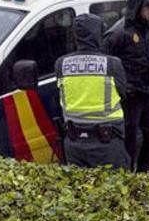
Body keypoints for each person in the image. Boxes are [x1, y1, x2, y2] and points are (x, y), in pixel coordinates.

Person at [55, 13, 129, 169]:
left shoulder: (61, 64)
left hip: (74, 143)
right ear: (98, 33)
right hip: (107, 143)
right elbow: (123, 93)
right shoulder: (112, 64)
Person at [103, 0, 149, 172]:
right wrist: (122, 88)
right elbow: (106, 63)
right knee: (129, 141)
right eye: (148, 7)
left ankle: (142, 172)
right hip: (129, 98)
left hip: (146, 94)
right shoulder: (119, 33)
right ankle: (127, 176)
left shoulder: (146, 29)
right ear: (137, 7)